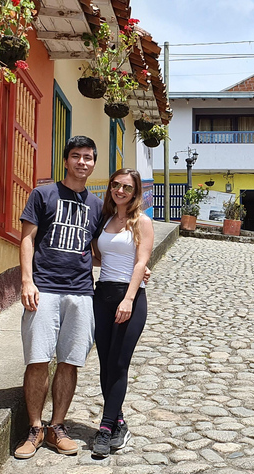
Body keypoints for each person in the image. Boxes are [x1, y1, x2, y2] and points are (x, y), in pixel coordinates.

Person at [15, 136, 105, 459]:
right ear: (66, 160)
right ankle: (35, 428)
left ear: (94, 163)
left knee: (69, 361)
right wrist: (27, 281)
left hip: (81, 292)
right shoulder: (43, 194)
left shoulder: (96, 206)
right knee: (38, 359)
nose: (82, 162)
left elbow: (97, 250)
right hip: (45, 288)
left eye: (88, 157)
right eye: (76, 156)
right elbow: (27, 239)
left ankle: (57, 427)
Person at [90, 168, 154, 458]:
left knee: (119, 363)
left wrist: (128, 299)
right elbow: (99, 255)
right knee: (105, 362)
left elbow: (141, 262)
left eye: (126, 187)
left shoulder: (142, 221)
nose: (120, 191)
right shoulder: (104, 220)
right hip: (102, 294)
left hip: (129, 298)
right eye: (116, 185)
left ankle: (105, 428)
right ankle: (119, 422)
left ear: (135, 191)